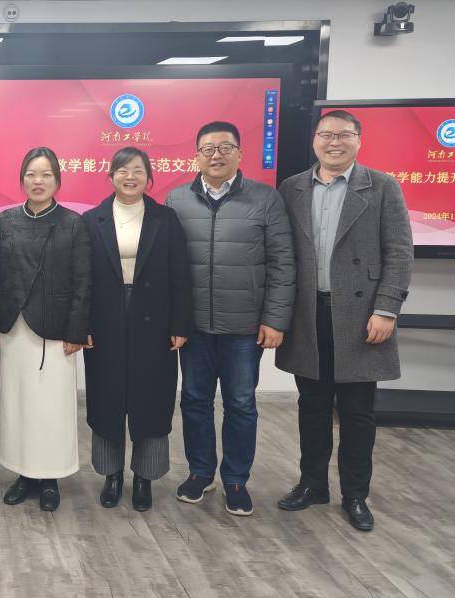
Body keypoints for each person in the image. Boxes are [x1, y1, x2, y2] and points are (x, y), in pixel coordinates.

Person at [275, 110, 413, 532]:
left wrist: (386, 309)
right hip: (308, 312)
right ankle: (312, 484)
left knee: (356, 411)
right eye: (326, 135)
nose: (334, 142)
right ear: (314, 140)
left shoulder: (382, 186)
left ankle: (355, 494)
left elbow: (399, 252)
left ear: (358, 140)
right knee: (312, 406)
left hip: (361, 315)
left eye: (343, 135)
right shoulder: (292, 187)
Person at [166, 121, 295, 516]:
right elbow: (166, 266)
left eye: (225, 147)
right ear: (196, 156)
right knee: (194, 401)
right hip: (194, 327)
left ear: (240, 153)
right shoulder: (177, 199)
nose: (216, 155)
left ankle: (236, 480)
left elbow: (283, 262)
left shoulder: (265, 199)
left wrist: (275, 319)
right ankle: (200, 472)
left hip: (244, 326)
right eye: (208, 148)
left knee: (240, 403)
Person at [82, 147, 191, 512]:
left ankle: (145, 477)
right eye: (123, 170)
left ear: (149, 178)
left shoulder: (166, 219)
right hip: (104, 320)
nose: (130, 177)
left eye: (138, 171)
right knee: (107, 396)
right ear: (110, 176)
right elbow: (81, 278)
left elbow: (180, 274)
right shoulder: (92, 220)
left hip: (156, 320)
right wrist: (82, 325)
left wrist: (180, 323)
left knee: (151, 398)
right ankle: (111, 475)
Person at [0, 147, 90, 512]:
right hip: (15, 327)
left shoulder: (73, 223)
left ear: (57, 180)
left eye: (46, 174)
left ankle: (49, 479)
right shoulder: (7, 220)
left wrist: (76, 332)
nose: (38, 181)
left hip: (56, 330)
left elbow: (83, 281)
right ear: (22, 180)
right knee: (19, 405)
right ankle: (24, 473)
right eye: (31, 174)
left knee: (51, 407)